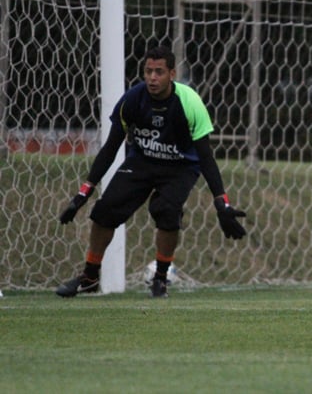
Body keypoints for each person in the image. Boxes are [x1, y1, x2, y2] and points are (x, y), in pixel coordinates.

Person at [56, 45, 247, 298]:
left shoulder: (189, 102)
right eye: (148, 71)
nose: (152, 78)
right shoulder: (132, 100)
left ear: (172, 74)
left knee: (166, 211)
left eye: (159, 72)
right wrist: (83, 193)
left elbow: (206, 158)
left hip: (181, 166)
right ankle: (90, 277)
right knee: (105, 210)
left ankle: (160, 279)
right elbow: (110, 149)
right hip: (142, 162)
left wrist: (222, 204)